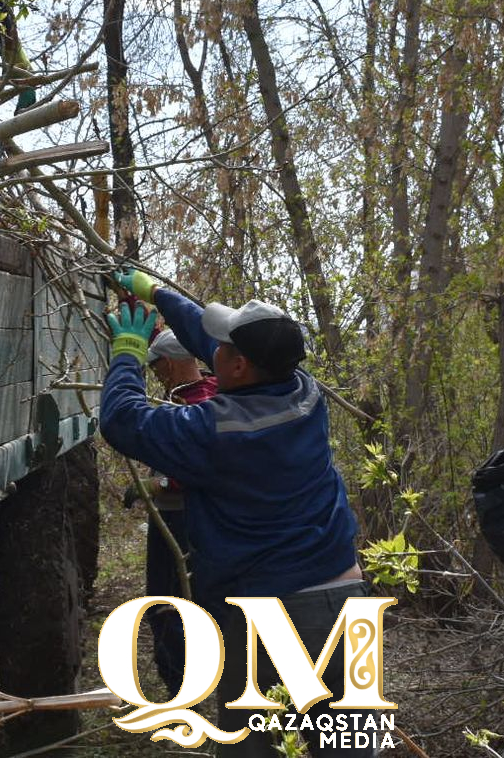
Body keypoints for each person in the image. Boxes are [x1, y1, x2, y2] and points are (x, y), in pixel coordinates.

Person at [100, 271, 370, 757]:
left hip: (269, 615)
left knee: (254, 747)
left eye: (222, 349)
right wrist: (156, 292)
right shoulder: (304, 394)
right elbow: (209, 339)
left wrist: (127, 350)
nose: (211, 352)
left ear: (240, 365)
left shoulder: (213, 431)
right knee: (350, 750)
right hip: (347, 602)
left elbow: (122, 420)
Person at [133, 328, 217, 697]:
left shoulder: (195, 403)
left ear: (168, 363)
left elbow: (202, 470)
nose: (155, 374)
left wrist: (154, 486)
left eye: (155, 367)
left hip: (181, 519)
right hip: (198, 522)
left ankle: (182, 692)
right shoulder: (212, 391)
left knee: (167, 604)